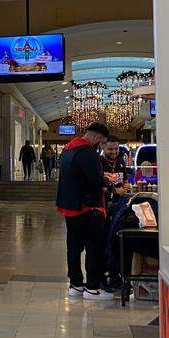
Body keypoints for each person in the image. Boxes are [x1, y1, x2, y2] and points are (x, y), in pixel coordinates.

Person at [56, 122, 113, 302]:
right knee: (93, 248)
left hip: (69, 207)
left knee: (73, 247)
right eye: (103, 142)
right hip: (88, 208)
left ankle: (76, 284)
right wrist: (108, 182)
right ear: (97, 138)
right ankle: (93, 287)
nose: (102, 146)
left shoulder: (67, 150)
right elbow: (94, 181)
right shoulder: (88, 153)